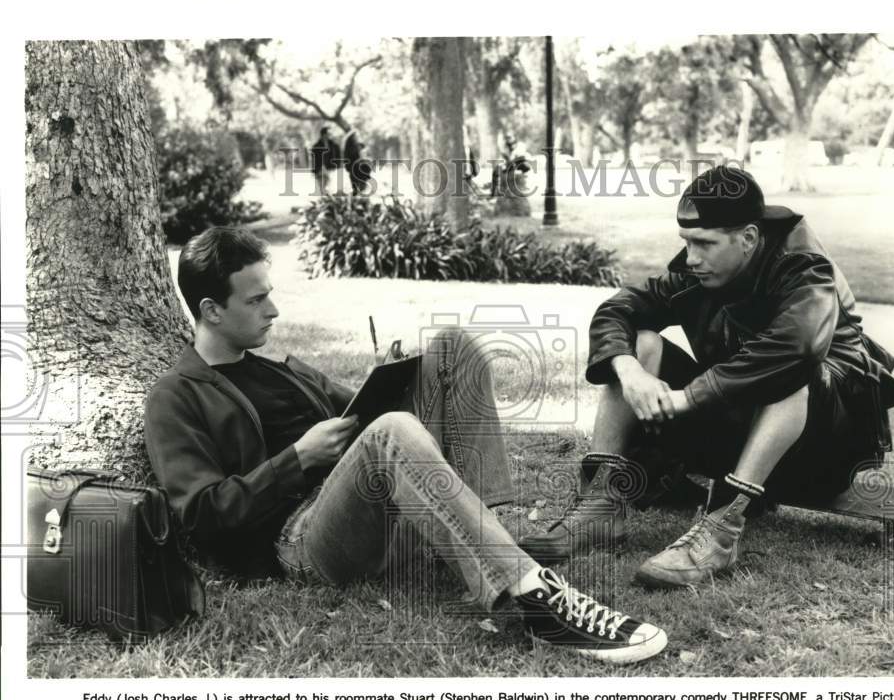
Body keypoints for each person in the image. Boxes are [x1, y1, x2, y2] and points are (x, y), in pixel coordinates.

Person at [144, 227, 667, 665]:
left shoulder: (278, 369)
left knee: (454, 347)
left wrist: (395, 376)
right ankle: (537, 599)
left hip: (378, 511)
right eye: (256, 300)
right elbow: (200, 513)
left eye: (270, 294)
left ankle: (485, 539)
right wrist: (297, 459)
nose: (274, 310)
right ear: (211, 310)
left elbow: (365, 415)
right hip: (301, 541)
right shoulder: (177, 395)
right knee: (393, 430)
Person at [519, 166, 894, 588]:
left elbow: (799, 347)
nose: (691, 257)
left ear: (749, 238)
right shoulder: (699, 271)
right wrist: (629, 372)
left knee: (791, 369)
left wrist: (687, 397)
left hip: (826, 450)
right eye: (687, 241)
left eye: (704, 243)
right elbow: (618, 309)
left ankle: (721, 532)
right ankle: (601, 507)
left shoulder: (806, 270)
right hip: (741, 436)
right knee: (641, 342)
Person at [310, 126, 341, 194]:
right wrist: (314, 171)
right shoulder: (316, 146)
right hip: (320, 169)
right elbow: (313, 159)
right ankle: (324, 196)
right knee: (322, 187)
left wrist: (337, 165)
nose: (330, 135)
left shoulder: (334, 145)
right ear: (323, 135)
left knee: (329, 187)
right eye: (328, 134)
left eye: (330, 134)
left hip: (330, 168)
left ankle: (325, 196)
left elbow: (338, 156)